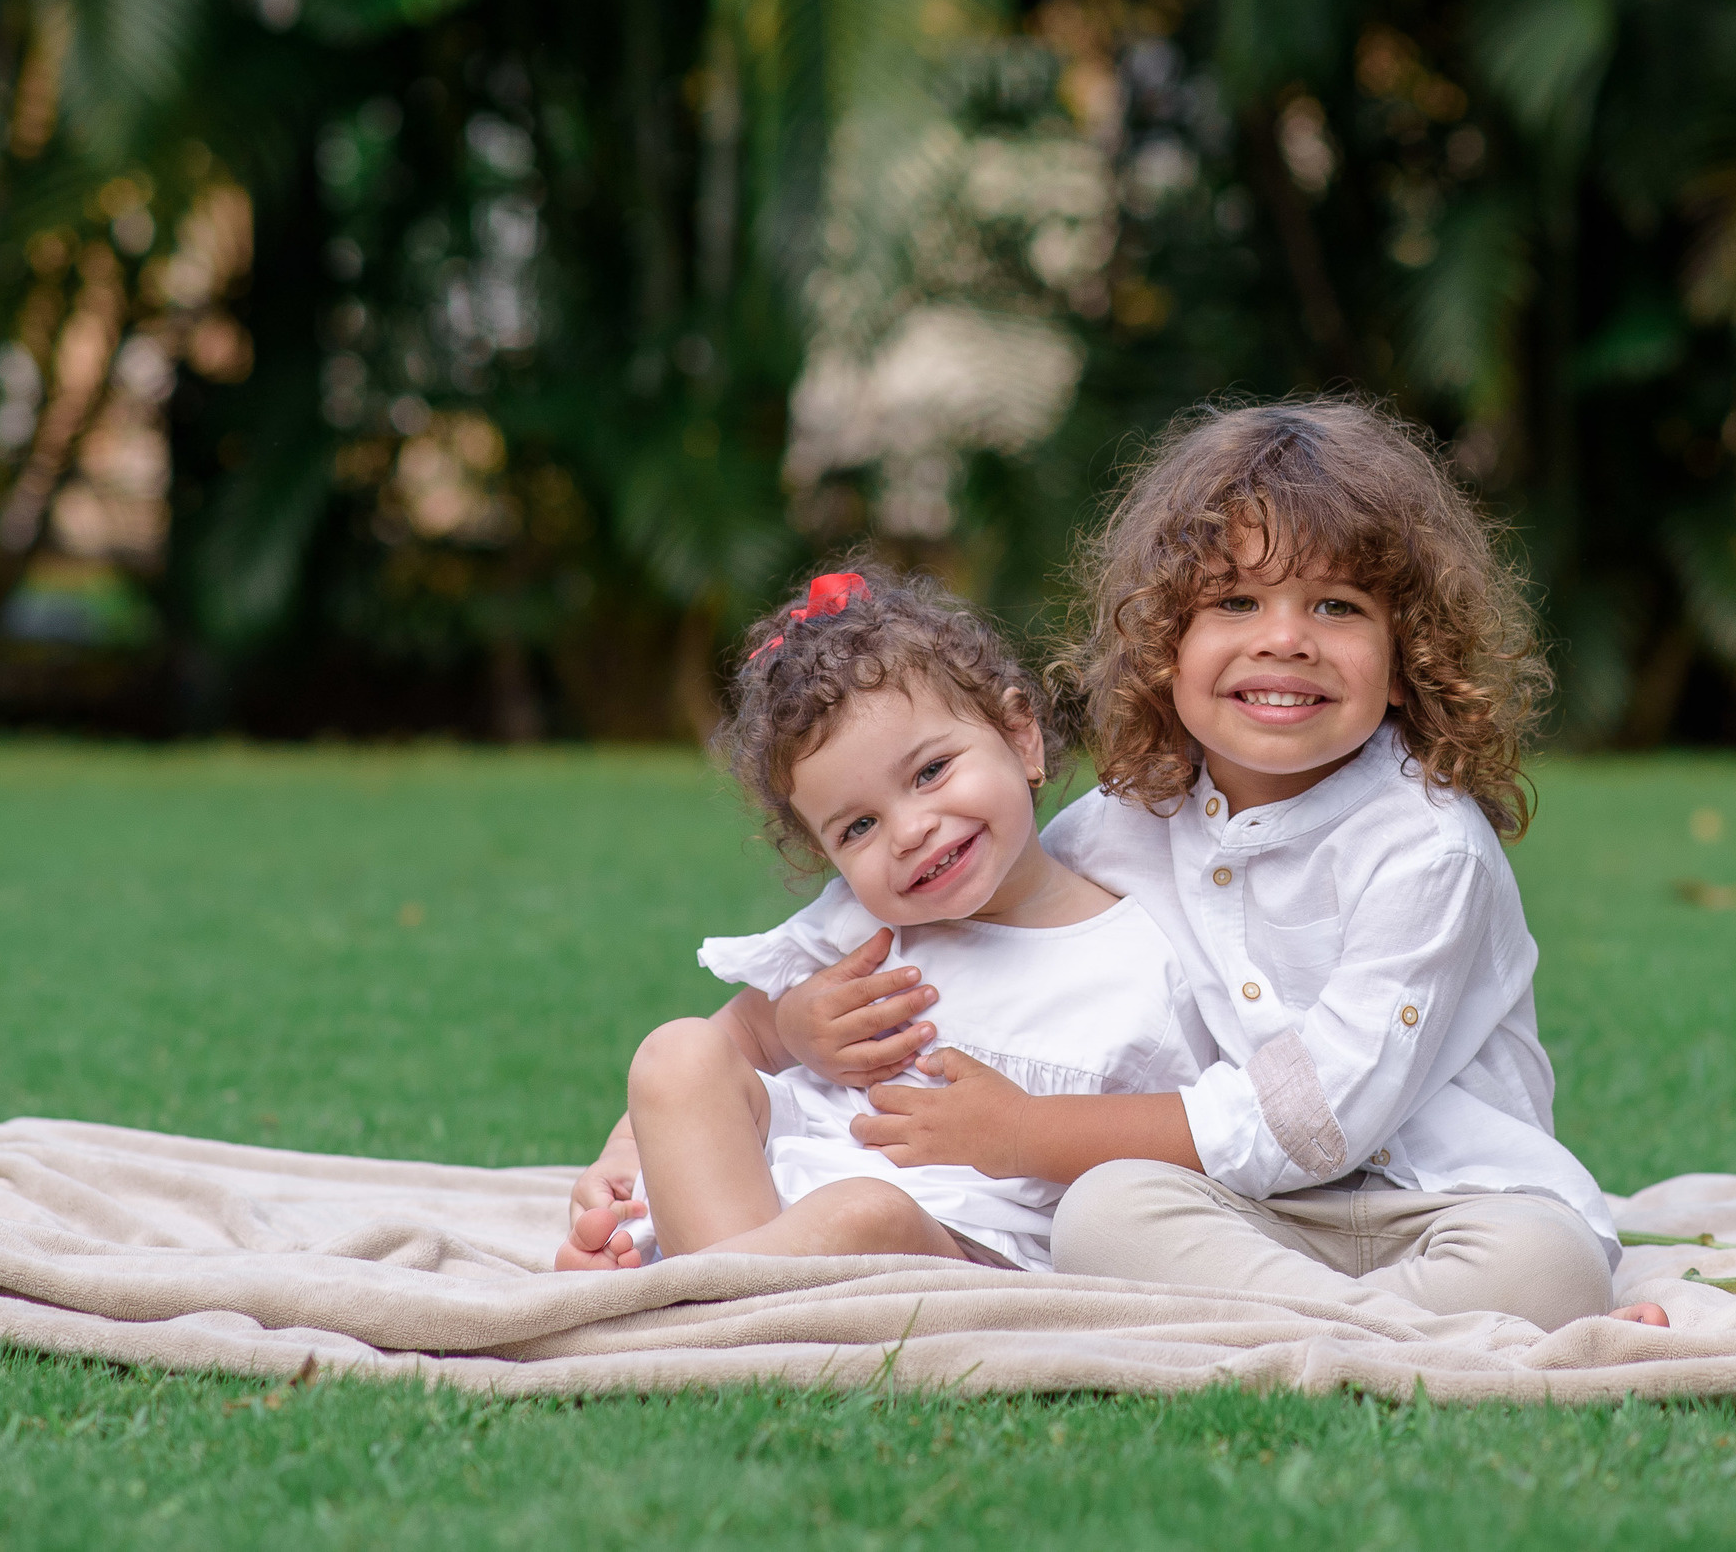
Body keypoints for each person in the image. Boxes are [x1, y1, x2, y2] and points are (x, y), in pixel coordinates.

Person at [771, 397, 1666, 1331]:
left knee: (1545, 1265)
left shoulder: (1427, 850)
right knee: (1102, 1214)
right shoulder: (1132, 813)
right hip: (1242, 1218)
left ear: (1405, 660)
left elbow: (1315, 1120)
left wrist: (1029, 1135)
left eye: (1337, 605)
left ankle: (1358, 1327)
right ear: (1165, 646)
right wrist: (793, 1022)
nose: (1284, 637)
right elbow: (960, 899)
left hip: (1443, 1205)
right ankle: (1406, 1334)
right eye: (1236, 602)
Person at [553, 566, 1209, 1274]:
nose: (908, 831)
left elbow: (1179, 1163)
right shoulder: (861, 928)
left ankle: (690, 1294)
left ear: (1022, 740)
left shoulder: (1142, 966)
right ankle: (703, 1277)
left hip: (948, 1243)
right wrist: (629, 1152)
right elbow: (740, 1034)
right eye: (859, 826)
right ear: (826, 852)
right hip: (772, 1200)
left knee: (866, 1212)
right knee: (674, 1052)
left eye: (930, 772)